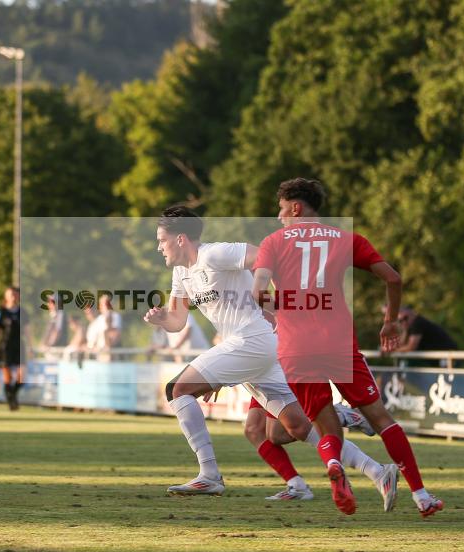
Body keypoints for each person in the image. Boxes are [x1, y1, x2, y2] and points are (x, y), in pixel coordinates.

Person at [252, 177, 443, 518]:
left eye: (282, 210)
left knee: (325, 427)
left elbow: (258, 290)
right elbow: (394, 279)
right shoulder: (345, 238)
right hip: (339, 343)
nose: (280, 217)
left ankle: (335, 464)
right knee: (382, 420)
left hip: (296, 348)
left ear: (296, 207)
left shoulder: (272, 242)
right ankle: (422, 496)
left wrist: (278, 308)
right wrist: (391, 321)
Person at [145, 206, 356, 514]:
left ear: (180, 239)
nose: (158, 247)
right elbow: (177, 321)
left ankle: (210, 475)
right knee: (291, 426)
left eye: (161, 240)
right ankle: (375, 468)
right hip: (246, 345)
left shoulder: (215, 254)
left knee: (178, 390)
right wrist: (163, 318)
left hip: (253, 340)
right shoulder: (180, 273)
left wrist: (275, 299)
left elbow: (262, 257)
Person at [243, 397, 398, 510]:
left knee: (284, 432)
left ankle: (337, 416)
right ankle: (297, 486)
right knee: (254, 429)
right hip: (257, 371)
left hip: (268, 365)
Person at [0, 287, 26, 411]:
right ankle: (12, 403)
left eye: (15, 294)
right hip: (5, 346)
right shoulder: (2, 312)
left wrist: (30, 346)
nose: (13, 297)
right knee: (8, 377)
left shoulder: (22, 312)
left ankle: (13, 396)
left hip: (19, 346)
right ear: (6, 296)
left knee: (22, 376)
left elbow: (27, 330)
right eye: (11, 294)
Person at [391, 306, 458, 367]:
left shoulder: (417, 323)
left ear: (412, 313)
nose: (404, 322)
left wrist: (393, 351)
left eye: (405, 318)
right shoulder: (410, 326)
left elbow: (411, 346)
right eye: (400, 321)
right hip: (439, 358)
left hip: (446, 356)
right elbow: (402, 343)